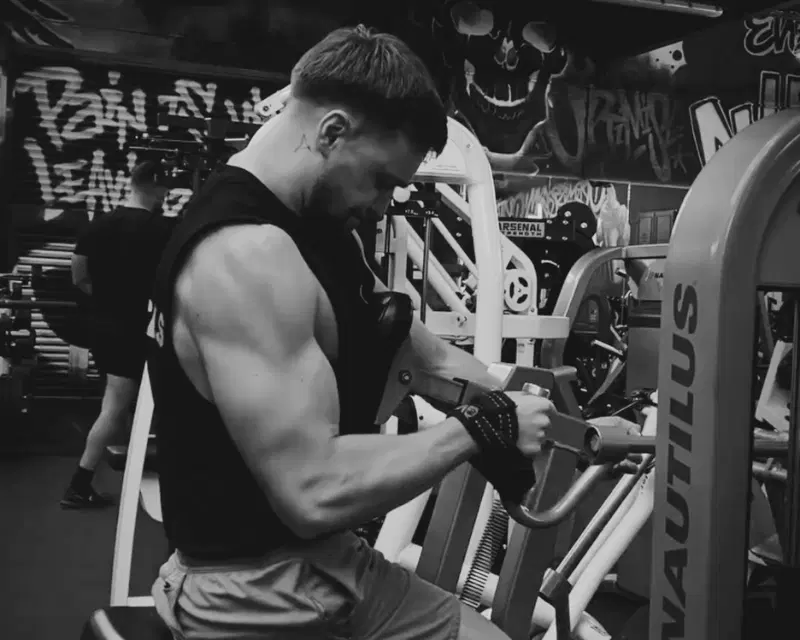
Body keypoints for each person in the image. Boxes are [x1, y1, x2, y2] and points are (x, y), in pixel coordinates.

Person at [147, 25, 554, 640]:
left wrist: (562, 424)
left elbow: (428, 357)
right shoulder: (244, 254)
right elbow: (312, 491)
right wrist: (478, 429)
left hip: (332, 564)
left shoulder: (321, 226)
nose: (385, 203)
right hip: (251, 592)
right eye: (382, 179)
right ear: (332, 131)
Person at [61, 161, 173, 509]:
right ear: (155, 186)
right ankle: (78, 485)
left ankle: (135, 468)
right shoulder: (163, 229)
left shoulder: (99, 224)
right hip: (135, 328)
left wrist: (108, 299)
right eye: (165, 188)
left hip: (103, 326)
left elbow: (78, 276)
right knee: (116, 407)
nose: (166, 195)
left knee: (121, 404)